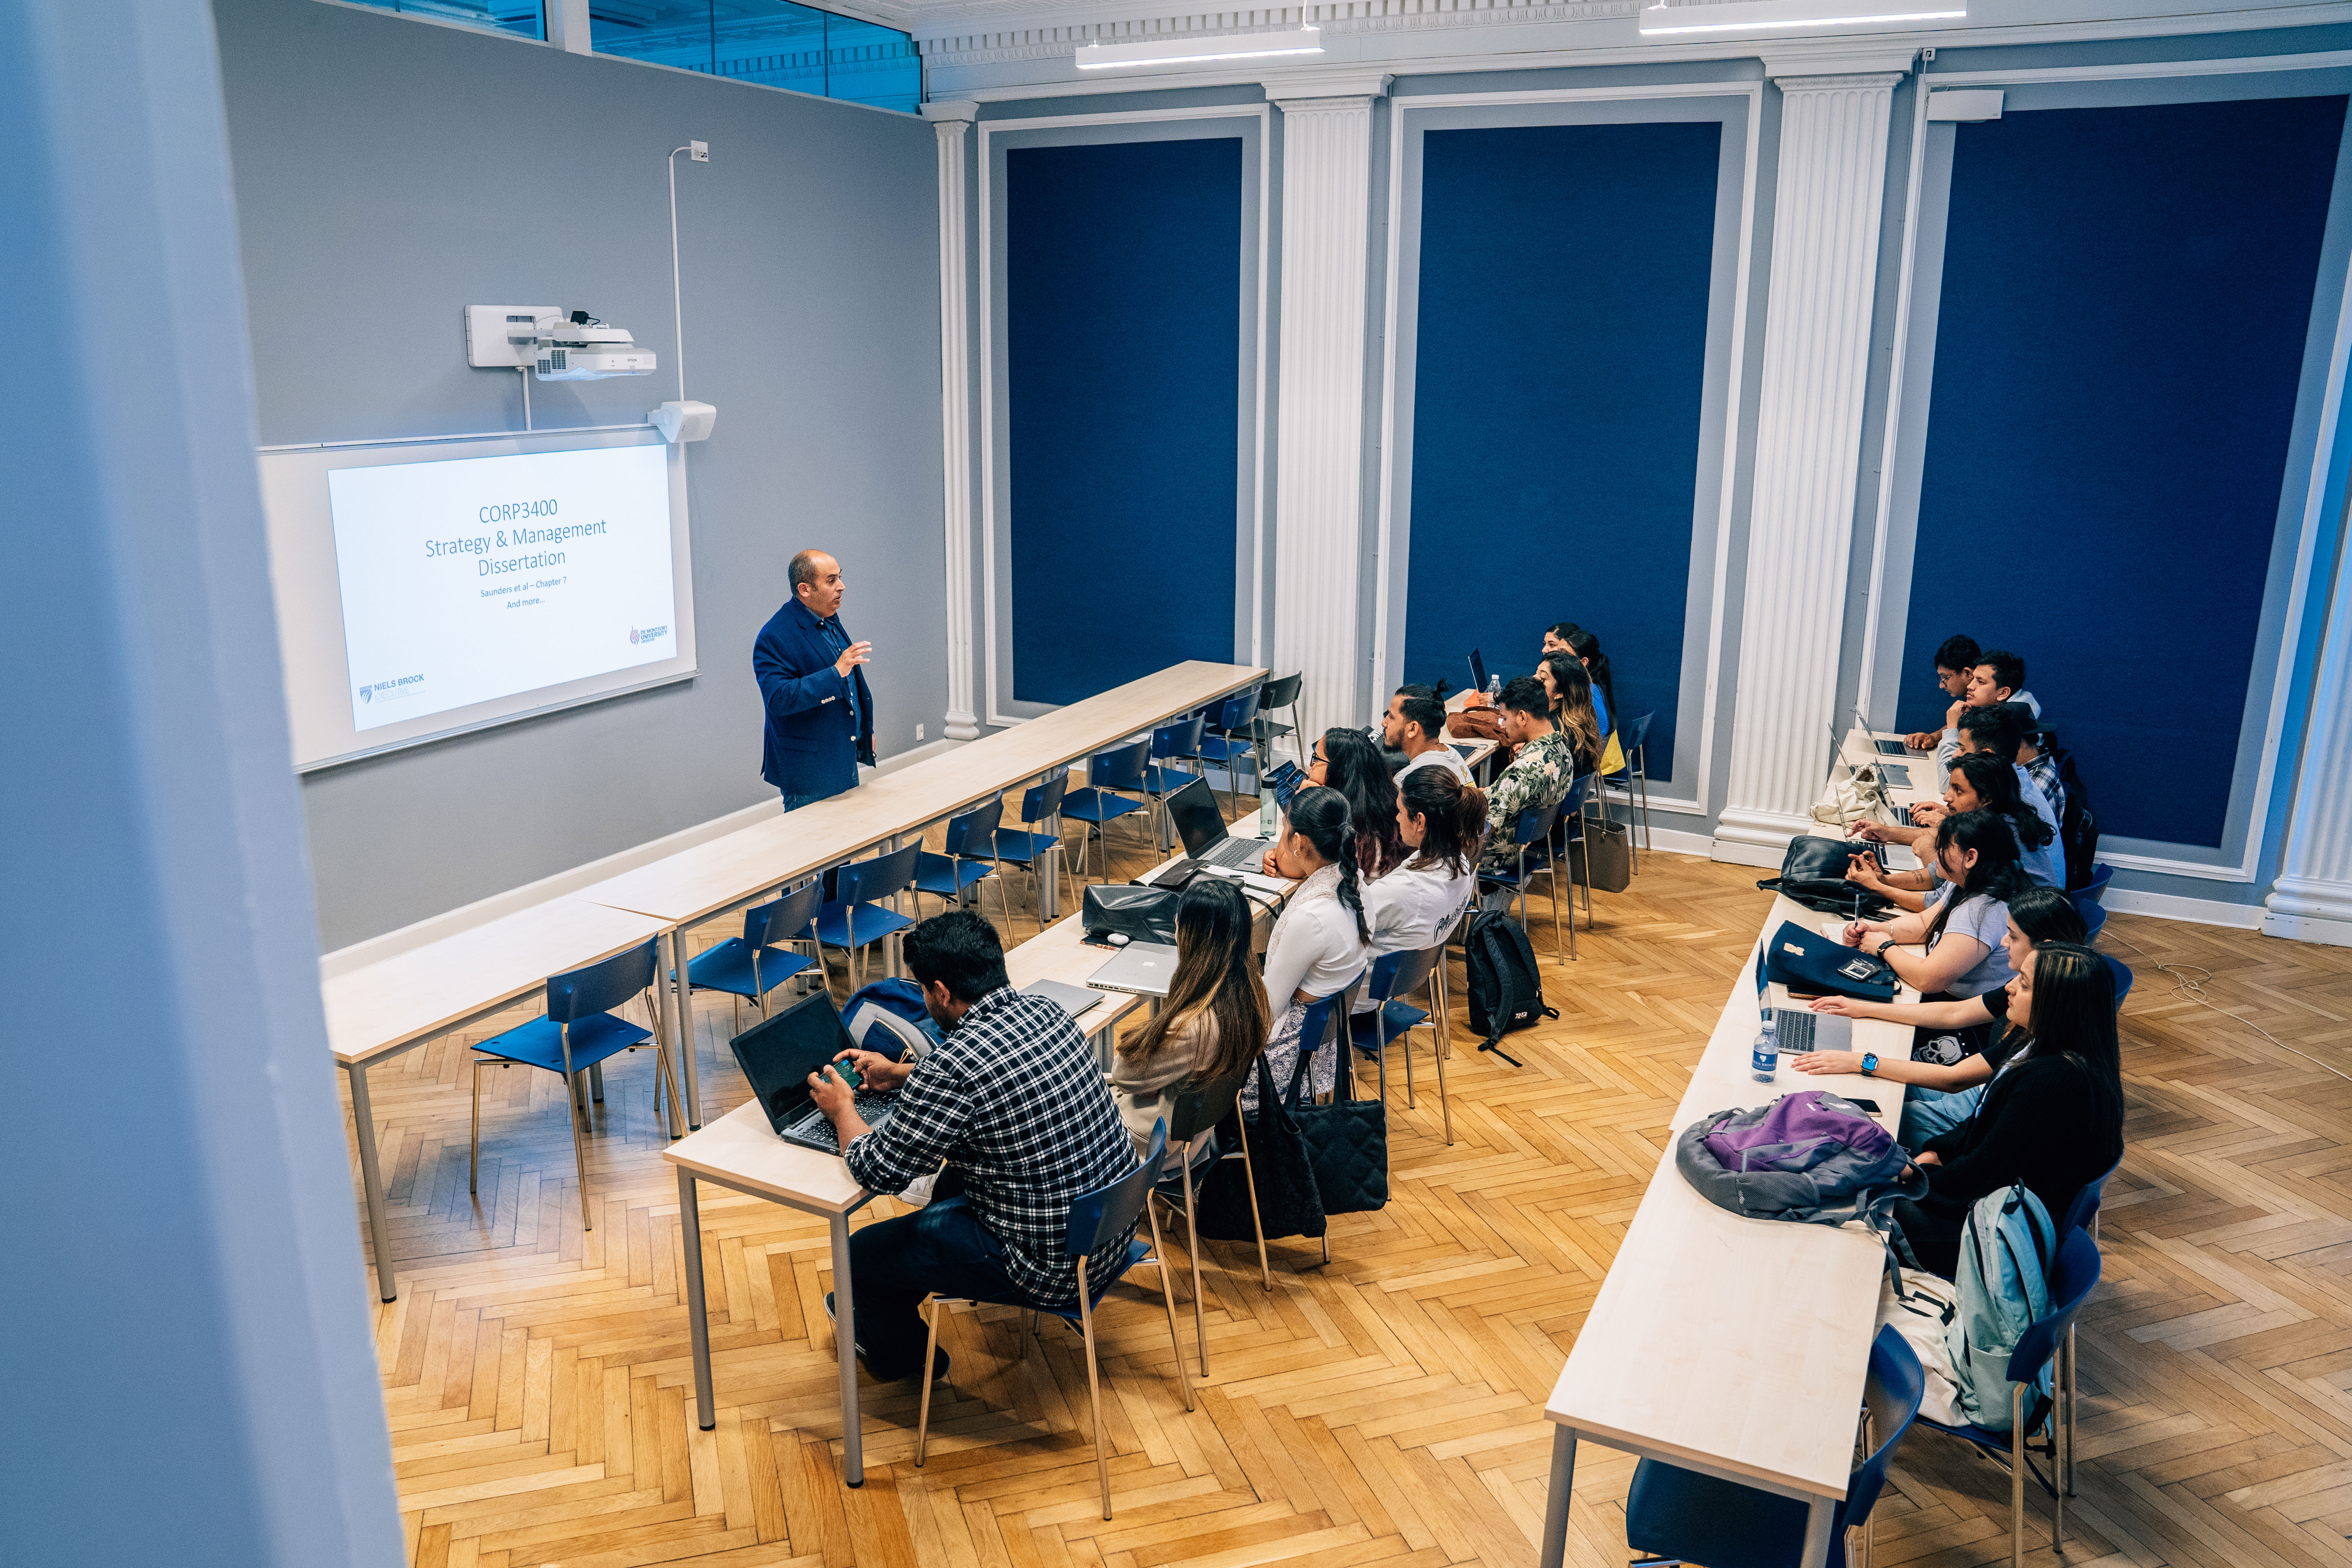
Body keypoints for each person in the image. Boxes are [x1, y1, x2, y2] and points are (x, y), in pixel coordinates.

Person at [810, 911, 1138, 1382]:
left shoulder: (955, 1066)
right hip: (1110, 1229)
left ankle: (910, 1365)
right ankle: (897, 1289)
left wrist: (842, 1107)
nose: (923, 998)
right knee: (948, 1182)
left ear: (942, 992)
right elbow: (993, 1079)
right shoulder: (1048, 1010)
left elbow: (877, 1170)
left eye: (923, 989)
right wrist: (900, 1073)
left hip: (1049, 1266)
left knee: (860, 1253)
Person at [1888, 943, 2124, 1279]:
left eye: (2024, 984)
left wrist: (1916, 1177)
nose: (2010, 987)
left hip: (2001, 1241)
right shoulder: (2034, 1042)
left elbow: (1988, 1175)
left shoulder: (2055, 1081)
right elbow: (1981, 1124)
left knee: (1870, 1205)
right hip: (1996, 1208)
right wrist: (1935, 1155)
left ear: (2058, 1004)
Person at [1789, 885, 2087, 1145]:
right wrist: (1864, 1008)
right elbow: (1955, 1013)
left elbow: (1954, 1079)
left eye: (2013, 935)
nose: (2005, 943)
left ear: (2044, 947)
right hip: (1974, 1096)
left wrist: (1861, 1061)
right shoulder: (2037, 990)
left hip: (1970, 1106)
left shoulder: (2040, 1018)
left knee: (1853, 1114)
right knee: (1862, 1088)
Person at [1839, 810, 2031, 1062]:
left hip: (1972, 1027)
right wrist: (1875, 930)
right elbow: (1925, 923)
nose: (1935, 852)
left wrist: (1885, 947)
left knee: (1873, 1039)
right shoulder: (1968, 882)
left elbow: (1929, 980)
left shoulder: (1982, 909)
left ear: (1971, 857)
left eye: (1943, 847)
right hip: (1957, 1008)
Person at [1109, 879, 1268, 1154]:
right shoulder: (1251, 994)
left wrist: (1153, 1075)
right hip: (1195, 1130)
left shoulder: (1195, 1027)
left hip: (1156, 1141)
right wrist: (1160, 1076)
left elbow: (1123, 1073)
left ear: (1191, 936)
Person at [1244, 785, 1373, 1112]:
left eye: (1285, 832)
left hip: (1283, 1061)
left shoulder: (1310, 919)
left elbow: (1266, 1008)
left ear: (1300, 842)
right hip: (1319, 1049)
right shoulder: (1356, 885)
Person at [1848, 750, 2062, 905]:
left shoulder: (1993, 836)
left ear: (1987, 798)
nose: (1947, 797)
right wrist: (1884, 880)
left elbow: (1936, 902)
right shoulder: (2001, 820)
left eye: (1958, 791)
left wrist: (1879, 887)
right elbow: (1939, 877)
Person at [754, 549, 875, 810]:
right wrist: (835, 672)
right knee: (816, 848)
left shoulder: (828, 618)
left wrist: (865, 730)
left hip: (842, 756)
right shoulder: (775, 636)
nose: (842, 587)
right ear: (805, 589)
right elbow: (780, 699)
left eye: (839, 578)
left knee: (849, 841)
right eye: (831, 581)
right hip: (808, 771)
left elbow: (851, 685)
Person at [1362, 766, 1488, 988]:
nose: (1398, 818)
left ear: (1420, 821)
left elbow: (1342, 924)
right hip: (1398, 982)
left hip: (1359, 994)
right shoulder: (1462, 865)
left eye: (1400, 810)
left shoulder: (1403, 890)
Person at [1479, 676, 1577, 870]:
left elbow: (1485, 828)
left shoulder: (1522, 771)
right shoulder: (1562, 752)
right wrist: (1486, 793)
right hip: (1523, 847)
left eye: (1505, 718)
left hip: (1494, 857)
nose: (1502, 725)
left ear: (1523, 717)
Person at [1309, 728, 1408, 880]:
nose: (1311, 766)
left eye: (1317, 758)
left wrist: (1305, 802)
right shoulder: (1387, 805)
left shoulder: (1337, 823)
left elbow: (1290, 868)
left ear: (1337, 770)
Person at [1932, 648, 2041, 777]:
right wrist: (1935, 737)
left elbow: (1950, 780)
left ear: (2003, 693)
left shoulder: (2006, 724)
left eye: (1981, 682)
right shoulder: (1999, 709)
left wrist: (1951, 730)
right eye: (1973, 679)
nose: (1970, 687)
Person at [1560, 627, 1627, 777]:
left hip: (1593, 765)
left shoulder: (1582, 692)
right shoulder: (1594, 685)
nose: (1556, 657)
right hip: (1602, 759)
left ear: (1583, 662)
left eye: (1564, 653)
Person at [1902, 634, 1981, 751]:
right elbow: (1962, 725)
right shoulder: (1974, 700)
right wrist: (1933, 738)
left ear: (1968, 674)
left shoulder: (1988, 703)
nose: (1941, 685)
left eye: (1945, 677)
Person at [1381, 686, 1470, 782]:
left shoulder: (1407, 780)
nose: (1384, 723)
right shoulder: (1452, 754)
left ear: (1413, 729)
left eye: (1391, 717)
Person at [1537, 651, 1604, 773]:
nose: (1533, 680)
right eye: (1536, 674)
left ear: (1560, 693)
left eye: (1542, 679)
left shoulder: (1553, 733)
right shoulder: (1577, 726)